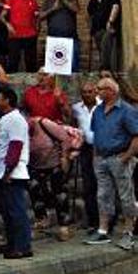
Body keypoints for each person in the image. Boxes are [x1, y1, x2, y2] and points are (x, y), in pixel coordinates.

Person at [85, 78, 138, 250]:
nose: (97, 91)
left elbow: (136, 135)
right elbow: (96, 135)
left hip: (119, 157)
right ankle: (103, 230)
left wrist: (127, 156)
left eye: (100, 89)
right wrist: (95, 157)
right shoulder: (98, 111)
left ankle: (128, 231)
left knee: (125, 195)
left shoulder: (126, 111)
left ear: (111, 91)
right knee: (103, 195)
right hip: (101, 158)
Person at [0, 86, 32, 259]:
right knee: (7, 212)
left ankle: (23, 246)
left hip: (12, 174)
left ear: (7, 100)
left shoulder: (15, 119)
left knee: (16, 211)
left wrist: (8, 170)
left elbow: (15, 146)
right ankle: (12, 242)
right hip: (1, 172)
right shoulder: (5, 119)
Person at [27, 112, 77, 231]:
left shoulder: (43, 123)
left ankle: (64, 225)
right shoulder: (22, 132)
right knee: (34, 189)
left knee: (59, 193)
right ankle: (42, 219)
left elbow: (65, 138)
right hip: (36, 165)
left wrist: (64, 157)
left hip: (55, 163)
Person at [72, 82, 100, 231]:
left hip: (102, 148)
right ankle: (92, 221)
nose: (87, 94)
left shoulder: (102, 106)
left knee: (101, 184)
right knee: (88, 185)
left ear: (95, 92)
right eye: (84, 92)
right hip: (86, 149)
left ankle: (105, 219)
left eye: (89, 92)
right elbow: (74, 125)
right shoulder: (76, 108)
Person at [39, 0, 80, 72]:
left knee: (73, 64)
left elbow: (76, 9)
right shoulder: (47, 2)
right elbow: (41, 17)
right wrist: (53, 8)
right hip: (54, 37)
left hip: (70, 36)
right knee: (56, 65)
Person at [1, 0, 39, 73]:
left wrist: (37, 30)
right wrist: (8, 25)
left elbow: (37, 17)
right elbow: (1, 16)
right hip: (15, 35)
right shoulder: (11, 0)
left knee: (31, 62)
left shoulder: (33, 1)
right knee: (13, 61)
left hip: (30, 35)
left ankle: (32, 85)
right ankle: (12, 84)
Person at [87, 0, 121, 72]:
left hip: (108, 28)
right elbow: (90, 14)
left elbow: (115, 7)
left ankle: (108, 70)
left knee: (107, 48)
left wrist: (110, 21)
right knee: (101, 50)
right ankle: (104, 71)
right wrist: (90, 31)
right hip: (96, 30)